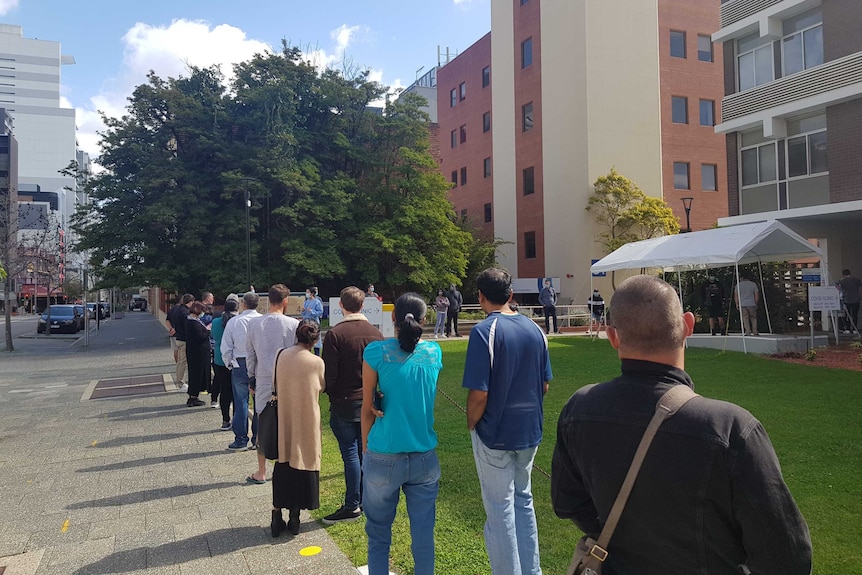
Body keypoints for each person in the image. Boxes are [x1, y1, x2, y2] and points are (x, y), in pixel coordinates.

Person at [551, 275, 812, 574]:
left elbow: (567, 502)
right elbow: (786, 554)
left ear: (613, 336)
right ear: (688, 324)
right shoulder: (730, 428)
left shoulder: (580, 408)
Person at [463, 268, 552, 575]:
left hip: (495, 433)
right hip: (530, 432)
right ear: (511, 295)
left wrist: (471, 422)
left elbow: (479, 393)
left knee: (500, 510)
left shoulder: (484, 331)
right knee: (523, 502)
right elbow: (544, 385)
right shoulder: (536, 329)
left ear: (480, 297)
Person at [362, 293, 443, 575]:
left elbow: (368, 406)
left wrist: (365, 447)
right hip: (424, 457)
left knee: (378, 535)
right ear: (424, 320)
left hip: (383, 453)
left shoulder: (375, 352)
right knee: (423, 535)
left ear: (393, 317)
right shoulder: (434, 352)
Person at [321, 286, 383, 525]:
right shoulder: (375, 334)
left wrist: (331, 393)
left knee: (351, 455)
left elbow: (330, 374)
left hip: (345, 402)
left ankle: (352, 504)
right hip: (369, 402)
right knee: (364, 453)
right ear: (363, 305)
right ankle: (365, 499)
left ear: (341, 305)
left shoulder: (336, 334)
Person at [270, 319, 326, 537]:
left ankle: (276, 514)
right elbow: (321, 386)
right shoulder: (316, 362)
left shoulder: (280, 355)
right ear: (315, 338)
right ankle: (295, 515)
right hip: (307, 420)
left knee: (282, 463)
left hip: (284, 417)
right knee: (303, 463)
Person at [246, 284, 300, 483]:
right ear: (286, 301)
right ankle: (287, 466)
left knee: (263, 424)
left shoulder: (254, 324)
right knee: (287, 424)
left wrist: (250, 377)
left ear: (267, 300)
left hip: (263, 380)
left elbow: (250, 356)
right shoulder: (294, 325)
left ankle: (261, 471)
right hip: (287, 381)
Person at [221, 292, 262, 450]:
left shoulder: (234, 322)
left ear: (243, 304)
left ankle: (241, 439)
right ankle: (258, 439)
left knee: (240, 402)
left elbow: (226, 347)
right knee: (260, 402)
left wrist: (230, 363)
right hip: (259, 363)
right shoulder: (261, 321)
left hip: (240, 362)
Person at [210, 298, 238, 430]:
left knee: (224, 390)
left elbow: (213, 336)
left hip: (219, 358)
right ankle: (236, 419)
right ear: (237, 309)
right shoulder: (236, 322)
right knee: (236, 391)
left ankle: (225, 420)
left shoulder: (215, 322)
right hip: (234, 359)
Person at [184, 302, 211, 407]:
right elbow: (200, 336)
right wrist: (208, 330)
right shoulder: (193, 323)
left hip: (194, 351)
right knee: (196, 374)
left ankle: (193, 395)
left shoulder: (191, 320)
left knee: (195, 374)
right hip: (197, 352)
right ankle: (193, 397)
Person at [166, 293, 194, 391]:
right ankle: (181, 383)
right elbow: (188, 326)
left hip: (178, 337)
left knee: (179, 361)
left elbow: (168, 320)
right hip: (184, 339)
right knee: (182, 362)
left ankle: (180, 380)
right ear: (190, 302)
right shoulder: (185, 312)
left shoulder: (177, 310)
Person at [302, 286, 324, 355]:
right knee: (307, 339)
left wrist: (311, 311)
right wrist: (303, 311)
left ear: (312, 293)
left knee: (315, 339)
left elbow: (320, 312)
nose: (307, 294)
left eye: (308, 292)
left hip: (314, 323)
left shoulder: (317, 302)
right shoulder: (306, 302)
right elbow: (304, 314)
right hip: (307, 322)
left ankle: (317, 354)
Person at [839, 268, 861, 334]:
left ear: (843, 274)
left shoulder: (842, 281)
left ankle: (848, 329)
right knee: (855, 315)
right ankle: (855, 329)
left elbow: (838, 288)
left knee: (847, 315)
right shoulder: (857, 280)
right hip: (856, 300)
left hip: (846, 300)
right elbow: (860, 289)